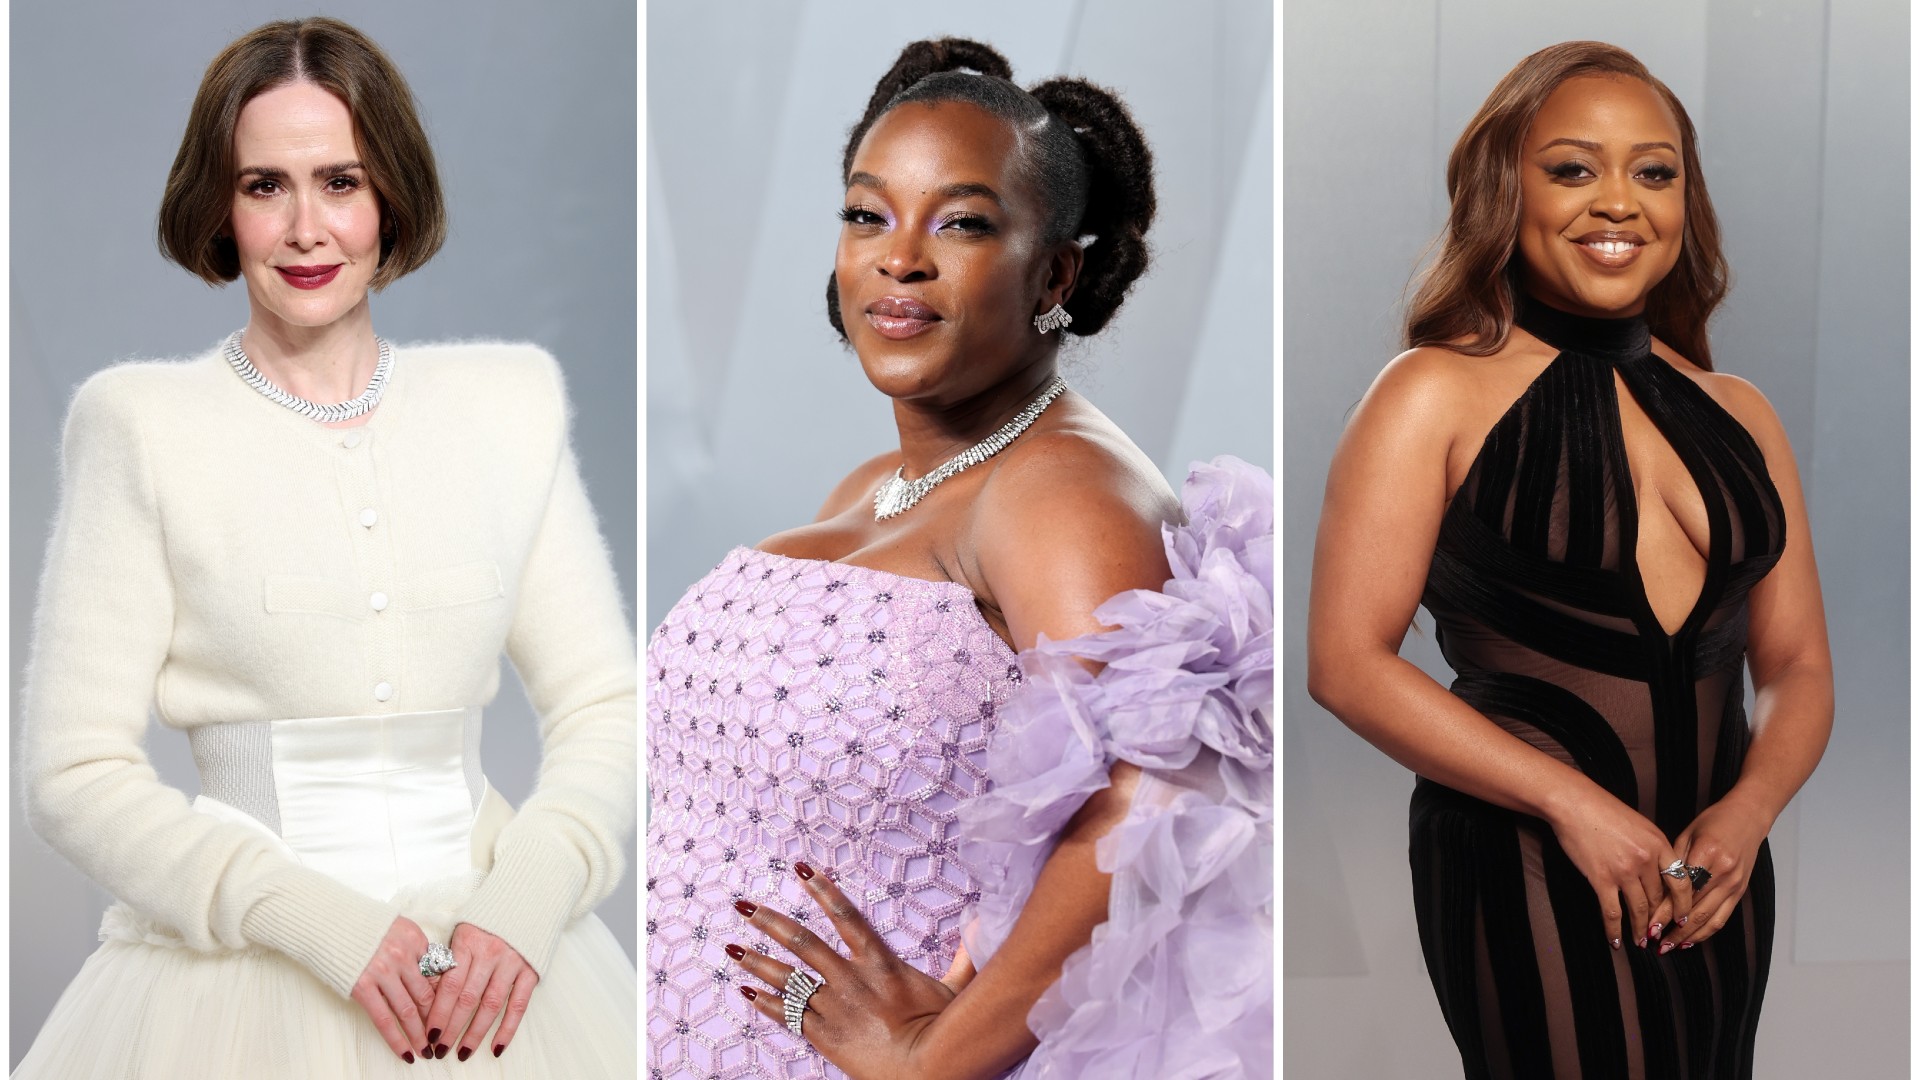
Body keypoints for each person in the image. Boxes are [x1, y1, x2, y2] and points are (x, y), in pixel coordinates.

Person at [14, 17, 635, 1078]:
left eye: (340, 181)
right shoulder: (140, 426)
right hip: (240, 994)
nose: (307, 228)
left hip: (502, 974)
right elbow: (73, 772)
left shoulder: (509, 404)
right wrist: (316, 924)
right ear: (220, 207)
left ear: (390, 194)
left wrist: (528, 899)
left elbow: (607, 705)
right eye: (265, 186)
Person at [645, 37, 1273, 1080]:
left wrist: (932, 1059)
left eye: (964, 223)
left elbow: (1156, 797)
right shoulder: (877, 487)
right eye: (867, 214)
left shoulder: (1062, 491)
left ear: (1055, 272)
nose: (901, 257)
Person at [1307, 41, 1833, 1080]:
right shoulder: (1430, 394)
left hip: (1716, 873)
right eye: (1573, 169)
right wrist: (1573, 805)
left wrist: (1748, 812)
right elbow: (1346, 663)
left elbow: (1800, 669)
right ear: (1509, 189)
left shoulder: (1743, 416)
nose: (1620, 203)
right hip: (1530, 861)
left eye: (1654, 170)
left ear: (1687, 199)